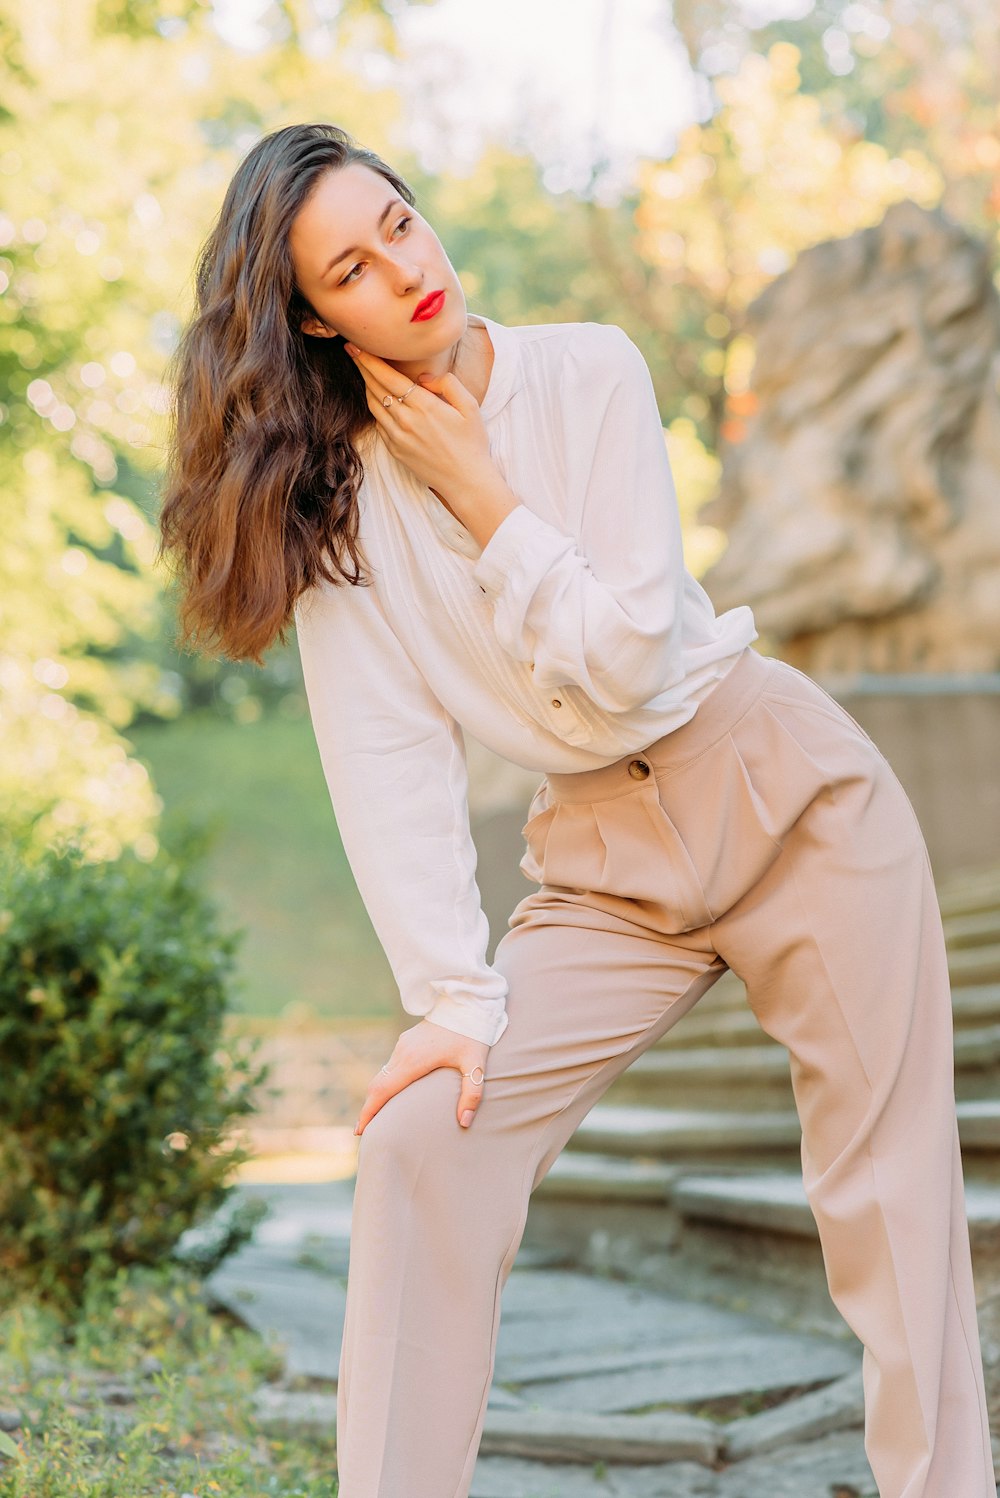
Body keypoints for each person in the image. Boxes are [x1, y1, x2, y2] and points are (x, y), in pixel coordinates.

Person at [159, 122, 995, 1498]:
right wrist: (448, 997)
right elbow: (391, 764)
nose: (408, 273)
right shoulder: (337, 516)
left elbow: (629, 652)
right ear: (313, 314)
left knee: (889, 1197)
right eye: (355, 270)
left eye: (403, 224)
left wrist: (489, 498)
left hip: (791, 791)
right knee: (421, 1142)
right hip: (608, 864)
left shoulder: (587, 368)